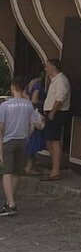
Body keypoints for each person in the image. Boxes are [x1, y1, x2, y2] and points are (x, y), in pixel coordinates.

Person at [0, 78, 45, 216]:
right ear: (24, 89)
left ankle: (11, 203)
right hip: (23, 141)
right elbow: (32, 125)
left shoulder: (5, 106)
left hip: (8, 140)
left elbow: (1, 128)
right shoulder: (28, 105)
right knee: (17, 172)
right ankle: (10, 200)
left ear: (12, 88)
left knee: (6, 172)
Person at [39, 58, 70, 182]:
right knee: (49, 141)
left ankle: (56, 170)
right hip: (52, 113)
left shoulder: (61, 80)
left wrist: (52, 112)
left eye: (47, 66)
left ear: (54, 67)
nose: (46, 69)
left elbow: (59, 99)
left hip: (57, 113)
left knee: (55, 141)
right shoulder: (54, 80)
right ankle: (54, 167)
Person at [25, 70, 46, 169]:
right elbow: (34, 100)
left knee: (29, 138)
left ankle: (30, 165)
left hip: (28, 115)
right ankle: (29, 167)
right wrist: (45, 102)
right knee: (33, 141)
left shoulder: (28, 86)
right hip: (36, 115)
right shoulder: (37, 85)